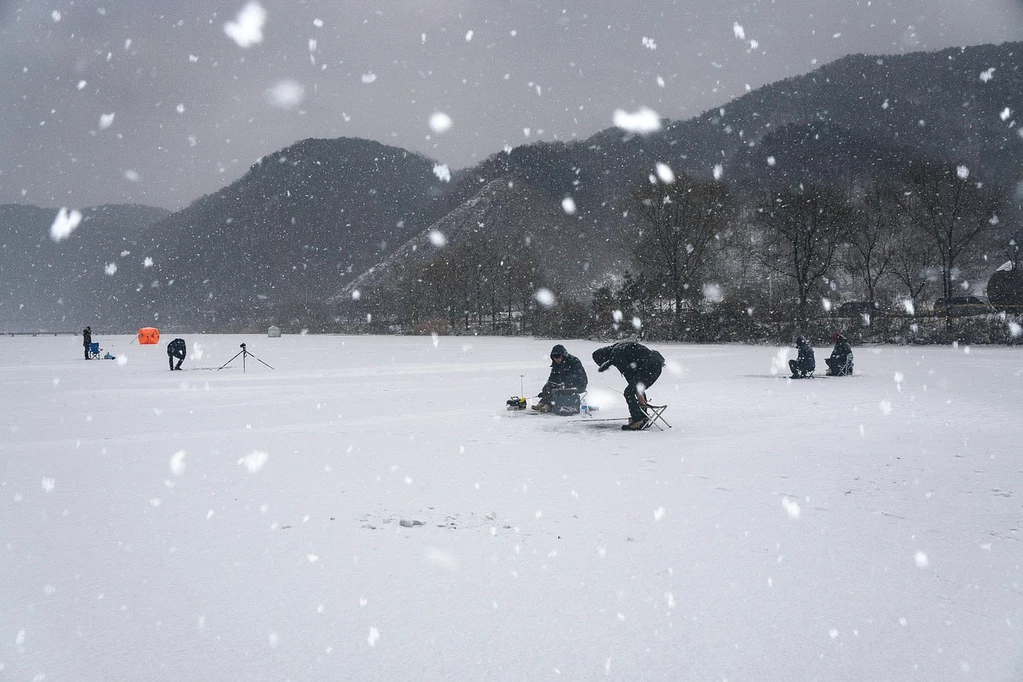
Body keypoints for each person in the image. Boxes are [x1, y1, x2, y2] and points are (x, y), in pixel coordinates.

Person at [591, 340, 665, 431]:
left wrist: (637, 391)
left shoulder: (616, 354)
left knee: (628, 392)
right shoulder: (620, 347)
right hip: (655, 366)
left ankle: (637, 420)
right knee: (634, 389)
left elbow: (628, 373)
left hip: (648, 368)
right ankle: (643, 416)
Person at [532, 344, 588, 414]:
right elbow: (552, 379)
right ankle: (543, 402)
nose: (556, 359)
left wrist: (567, 383)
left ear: (563, 355)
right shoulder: (556, 365)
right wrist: (545, 390)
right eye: (554, 357)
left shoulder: (574, 362)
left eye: (558, 357)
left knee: (558, 390)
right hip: (563, 384)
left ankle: (549, 404)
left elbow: (580, 376)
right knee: (551, 387)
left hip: (578, 384)